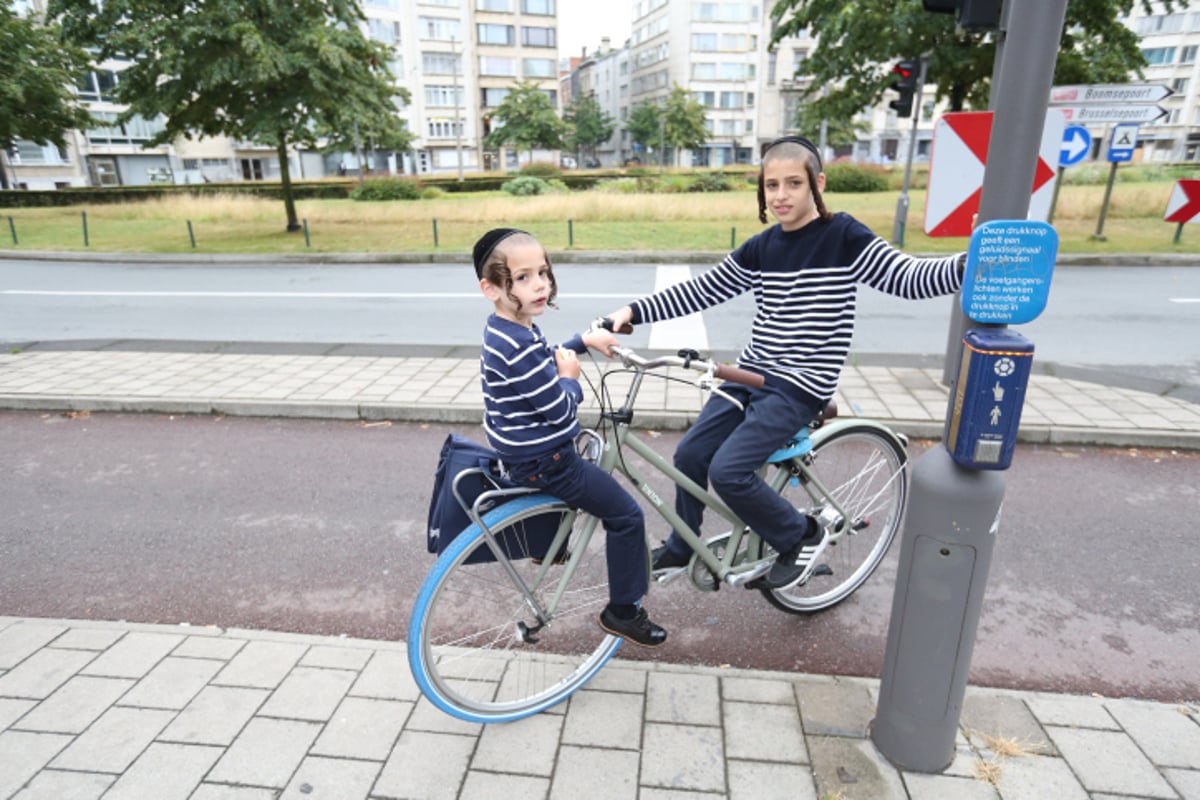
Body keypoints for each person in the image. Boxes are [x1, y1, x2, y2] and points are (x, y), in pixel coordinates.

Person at [605, 135, 967, 590]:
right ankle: (683, 544)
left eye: (793, 183)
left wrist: (968, 261)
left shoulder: (843, 235)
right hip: (750, 374)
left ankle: (802, 535)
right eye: (771, 185)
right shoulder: (763, 247)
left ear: (818, 183)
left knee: (729, 472)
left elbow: (909, 279)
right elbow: (702, 289)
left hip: (800, 384)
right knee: (689, 454)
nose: (780, 195)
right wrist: (632, 313)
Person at [473, 227, 668, 647]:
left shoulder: (507, 329)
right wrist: (571, 379)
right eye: (522, 278)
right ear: (490, 288)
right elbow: (560, 406)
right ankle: (623, 610)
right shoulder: (519, 343)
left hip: (523, 454)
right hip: (548, 462)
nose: (540, 284)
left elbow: (541, 362)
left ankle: (550, 540)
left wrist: (580, 341)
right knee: (626, 516)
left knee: (593, 483)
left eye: (542, 272)